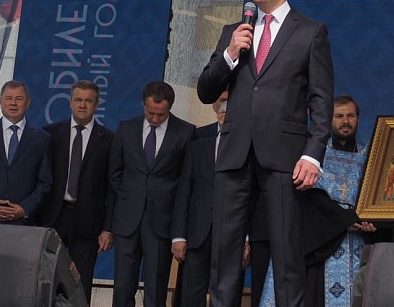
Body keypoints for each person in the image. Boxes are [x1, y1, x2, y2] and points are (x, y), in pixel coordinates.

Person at [197, 0, 334, 307]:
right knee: (224, 255)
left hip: (285, 157)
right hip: (234, 154)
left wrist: (313, 154)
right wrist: (229, 54)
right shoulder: (234, 31)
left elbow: (321, 99)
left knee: (287, 253)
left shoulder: (310, 32)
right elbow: (205, 91)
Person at [259, 95, 377, 307]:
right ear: (329, 120)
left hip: (358, 244)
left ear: (358, 119)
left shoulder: (370, 156)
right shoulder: (314, 156)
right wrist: (345, 219)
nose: (345, 121)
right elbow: (310, 197)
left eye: (350, 115)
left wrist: (372, 221)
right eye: (339, 116)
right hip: (320, 243)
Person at [109, 80, 196, 307]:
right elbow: (115, 173)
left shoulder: (186, 132)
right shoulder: (126, 128)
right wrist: (132, 196)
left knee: (156, 287)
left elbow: (186, 181)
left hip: (162, 220)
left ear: (170, 109)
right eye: (151, 113)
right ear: (143, 105)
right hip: (128, 219)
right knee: (122, 285)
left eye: (161, 114)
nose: (155, 119)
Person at [37, 80, 115, 304]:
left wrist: (108, 228)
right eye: (78, 100)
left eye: (88, 101)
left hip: (88, 221)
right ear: (70, 102)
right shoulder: (49, 134)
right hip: (53, 218)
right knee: (47, 278)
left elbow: (113, 189)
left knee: (80, 281)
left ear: (97, 104)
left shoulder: (109, 139)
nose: (83, 105)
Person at [171, 100, 250, 307]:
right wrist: (179, 236)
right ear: (219, 116)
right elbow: (184, 194)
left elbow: (251, 197)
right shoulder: (197, 148)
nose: (227, 118)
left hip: (233, 237)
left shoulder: (248, 151)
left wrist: (247, 238)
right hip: (198, 235)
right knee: (191, 295)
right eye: (224, 114)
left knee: (227, 296)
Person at [0, 80, 52, 225]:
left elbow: (45, 183)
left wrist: (24, 208)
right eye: (8, 98)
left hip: (23, 224)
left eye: (19, 99)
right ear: (0, 101)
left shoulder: (42, 138)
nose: (13, 103)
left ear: (28, 103)